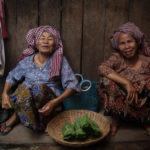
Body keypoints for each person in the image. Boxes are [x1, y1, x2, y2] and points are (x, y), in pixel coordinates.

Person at [0, 26, 80, 135]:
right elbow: (12, 76)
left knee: (38, 88)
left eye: (50, 39)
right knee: (23, 90)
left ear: (55, 44)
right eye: (42, 38)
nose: (45, 42)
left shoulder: (60, 61)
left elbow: (73, 85)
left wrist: (55, 102)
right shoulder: (27, 60)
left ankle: (40, 119)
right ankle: (24, 118)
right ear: (36, 43)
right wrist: (4, 93)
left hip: (47, 102)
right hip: (24, 99)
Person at [97, 22, 150, 136]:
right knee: (105, 82)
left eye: (130, 41)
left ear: (137, 42)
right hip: (122, 98)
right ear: (117, 46)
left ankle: (146, 120)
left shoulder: (147, 60)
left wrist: (139, 87)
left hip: (142, 102)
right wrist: (127, 83)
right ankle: (117, 118)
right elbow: (102, 68)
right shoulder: (117, 58)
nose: (127, 47)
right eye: (122, 43)